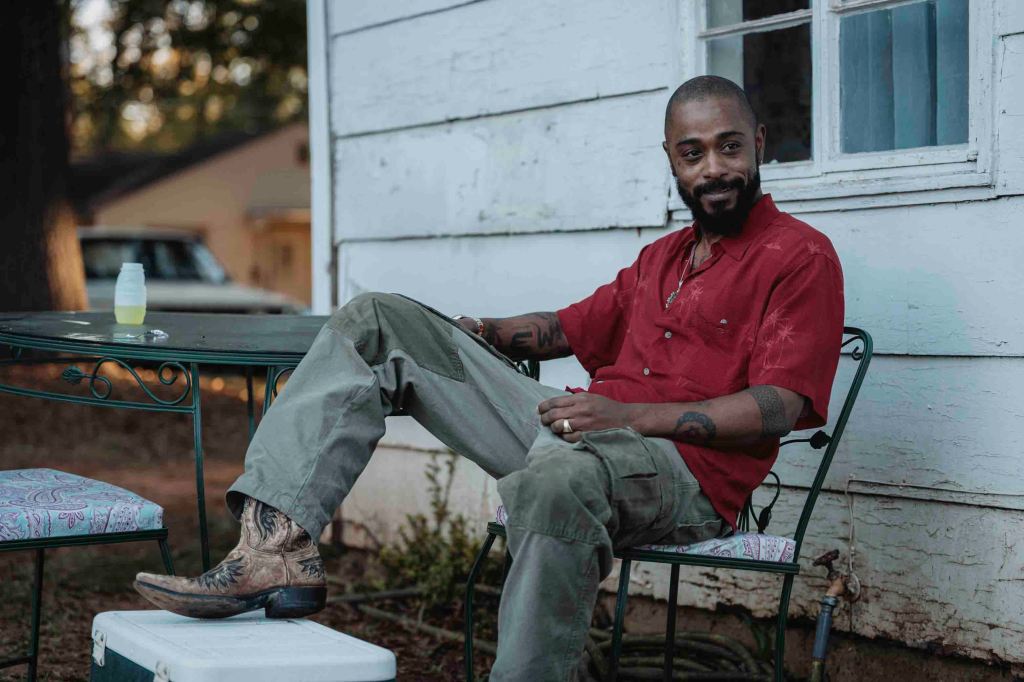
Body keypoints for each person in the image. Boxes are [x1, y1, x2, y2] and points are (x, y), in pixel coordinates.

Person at [134, 75, 844, 680]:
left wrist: (628, 418)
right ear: (671, 161)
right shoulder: (662, 258)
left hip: (682, 474)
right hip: (578, 431)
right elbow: (567, 328)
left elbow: (779, 406)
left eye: (729, 147)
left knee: (557, 479)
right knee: (378, 319)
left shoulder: (799, 257)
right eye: (693, 153)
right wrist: (487, 332)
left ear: (759, 143)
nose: (713, 168)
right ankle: (274, 550)